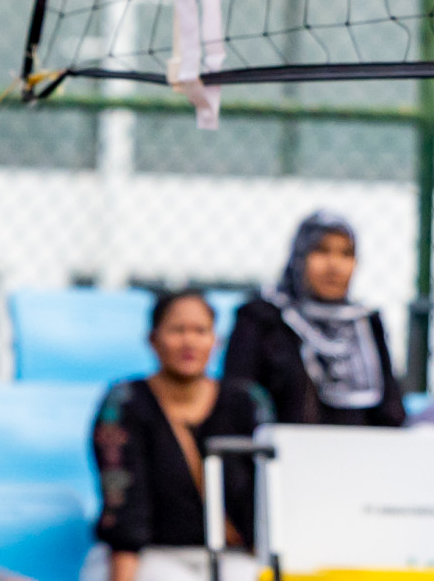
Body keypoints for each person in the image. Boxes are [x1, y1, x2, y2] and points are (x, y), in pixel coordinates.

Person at [87, 290, 272, 581]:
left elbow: (264, 495)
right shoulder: (125, 404)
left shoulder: (247, 403)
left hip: (232, 557)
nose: (189, 341)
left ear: (216, 341)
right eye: (177, 330)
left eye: (200, 331)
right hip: (149, 556)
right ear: (153, 339)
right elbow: (125, 507)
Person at [223, 211, 405, 427]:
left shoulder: (365, 324)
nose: (334, 266)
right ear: (299, 256)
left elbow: (390, 412)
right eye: (321, 251)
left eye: (346, 254)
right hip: (281, 454)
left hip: (360, 455)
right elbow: (237, 404)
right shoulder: (264, 319)